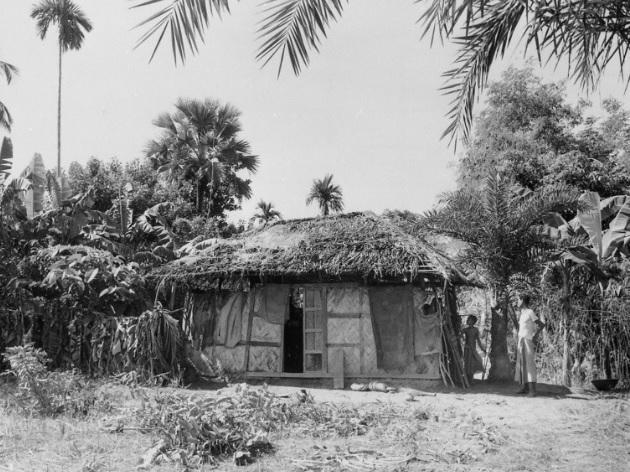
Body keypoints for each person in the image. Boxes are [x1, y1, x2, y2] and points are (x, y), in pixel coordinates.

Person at [515, 293, 545, 396]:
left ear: (522, 300)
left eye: (518, 300)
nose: (517, 302)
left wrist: (535, 335)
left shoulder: (530, 312)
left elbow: (541, 325)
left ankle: (532, 391)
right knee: (522, 364)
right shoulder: (522, 313)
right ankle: (524, 388)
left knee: (529, 364)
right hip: (521, 340)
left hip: (527, 341)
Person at [462, 315, 486, 384]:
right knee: (467, 364)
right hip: (467, 349)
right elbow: (460, 335)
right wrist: (463, 340)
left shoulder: (476, 330)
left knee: (475, 362)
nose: (467, 321)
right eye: (467, 319)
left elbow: (478, 340)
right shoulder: (465, 330)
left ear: (473, 322)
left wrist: (482, 349)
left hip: (473, 349)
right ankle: (467, 380)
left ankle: (471, 379)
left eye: (469, 319)